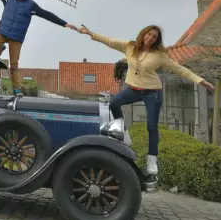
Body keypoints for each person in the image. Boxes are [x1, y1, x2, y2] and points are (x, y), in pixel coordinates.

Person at [76, 24, 215, 175]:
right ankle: (124, 132)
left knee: (151, 126)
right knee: (113, 103)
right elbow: (110, 41)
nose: (150, 38)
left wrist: (201, 81)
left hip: (152, 92)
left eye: (154, 37)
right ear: (143, 34)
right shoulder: (130, 47)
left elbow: (180, 69)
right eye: (149, 34)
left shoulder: (159, 56)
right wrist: (90, 33)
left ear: (157, 40)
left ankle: (152, 160)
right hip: (133, 90)